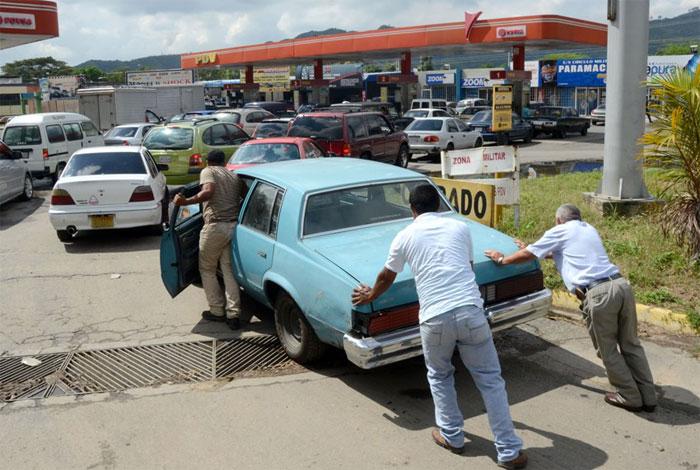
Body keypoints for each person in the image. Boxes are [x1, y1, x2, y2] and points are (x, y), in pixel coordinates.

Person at [352, 184, 527, 470]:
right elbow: (467, 269)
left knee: (440, 375)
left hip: (434, 318)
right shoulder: (459, 229)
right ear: (437, 206)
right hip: (470, 311)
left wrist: (370, 295)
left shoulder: (405, 235)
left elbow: (387, 275)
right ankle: (508, 451)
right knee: (490, 379)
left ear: (412, 210)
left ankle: (452, 436)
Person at [484, 204, 657, 413]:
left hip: (599, 294)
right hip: (621, 286)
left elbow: (529, 255)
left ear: (558, 220)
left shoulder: (560, 230)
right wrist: (532, 248)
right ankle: (648, 395)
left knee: (607, 349)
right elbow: (560, 252)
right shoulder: (588, 229)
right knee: (631, 344)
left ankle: (629, 395)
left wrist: (503, 259)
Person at [173, 149, 244, 330]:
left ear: (208, 161)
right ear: (224, 161)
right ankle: (233, 314)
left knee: (207, 268)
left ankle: (217, 310)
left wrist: (185, 202)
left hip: (215, 227)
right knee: (228, 270)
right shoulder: (232, 175)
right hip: (233, 227)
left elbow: (208, 191)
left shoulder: (208, 171)